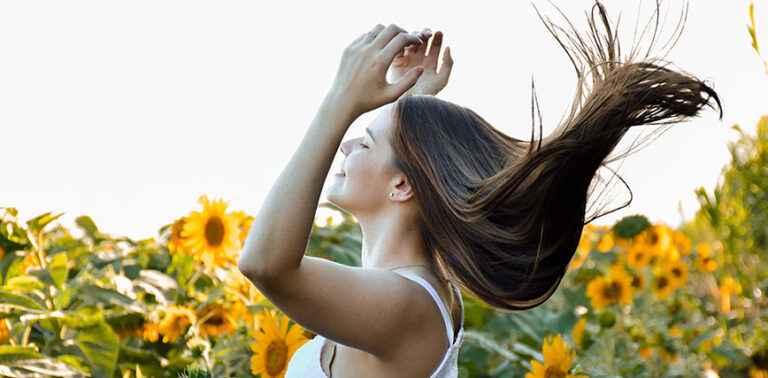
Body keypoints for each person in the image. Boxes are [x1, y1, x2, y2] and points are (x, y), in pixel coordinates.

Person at [238, 1, 722, 376]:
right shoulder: (412, 295)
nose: (344, 144)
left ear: (403, 185)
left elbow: (265, 263)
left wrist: (339, 101)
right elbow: (409, 165)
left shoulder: (410, 306)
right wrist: (412, 106)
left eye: (363, 140)